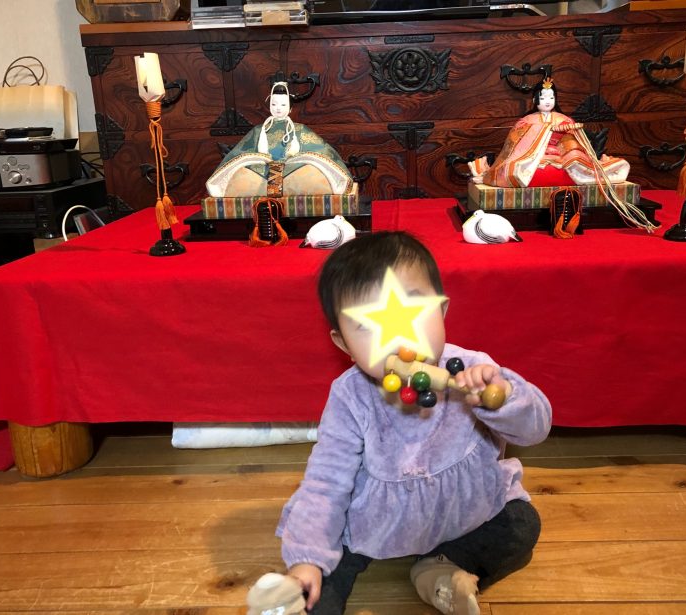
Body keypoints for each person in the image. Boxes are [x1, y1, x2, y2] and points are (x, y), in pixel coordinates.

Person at [266, 231, 552, 614]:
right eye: (369, 325)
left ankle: (442, 567)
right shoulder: (350, 396)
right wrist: (307, 559)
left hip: (462, 511)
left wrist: (505, 399)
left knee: (521, 524)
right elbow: (326, 482)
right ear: (343, 343)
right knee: (320, 575)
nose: (399, 336)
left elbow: (536, 429)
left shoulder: (475, 371)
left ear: (442, 311)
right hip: (375, 523)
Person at [475, 77, 629, 188]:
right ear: (535, 100)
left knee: (574, 169)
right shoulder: (526, 121)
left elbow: (574, 145)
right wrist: (543, 130)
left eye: (551, 97)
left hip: (561, 157)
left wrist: (568, 132)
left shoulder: (564, 120)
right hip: (532, 159)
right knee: (520, 171)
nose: (547, 101)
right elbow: (514, 147)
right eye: (543, 98)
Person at [206, 82, 354, 197]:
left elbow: (322, 150)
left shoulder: (300, 129)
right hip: (260, 169)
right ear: (269, 105)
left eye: (283, 104)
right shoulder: (259, 130)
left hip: (294, 168)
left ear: (290, 108)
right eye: (274, 104)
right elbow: (238, 153)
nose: (278, 108)